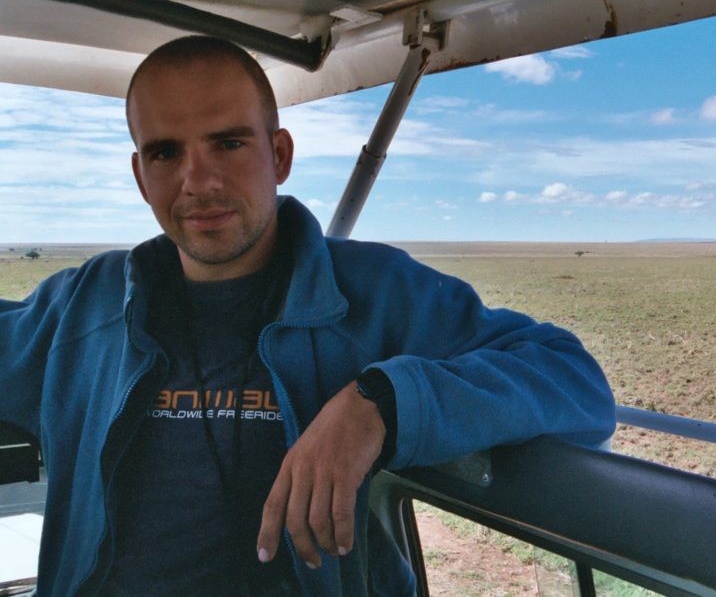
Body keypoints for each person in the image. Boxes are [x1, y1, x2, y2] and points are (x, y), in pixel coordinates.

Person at [0, 35, 616, 596]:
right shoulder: (85, 306)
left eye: (228, 142)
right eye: (165, 152)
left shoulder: (374, 294)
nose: (198, 180)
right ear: (140, 174)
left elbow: (575, 381)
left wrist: (380, 404)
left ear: (279, 154)